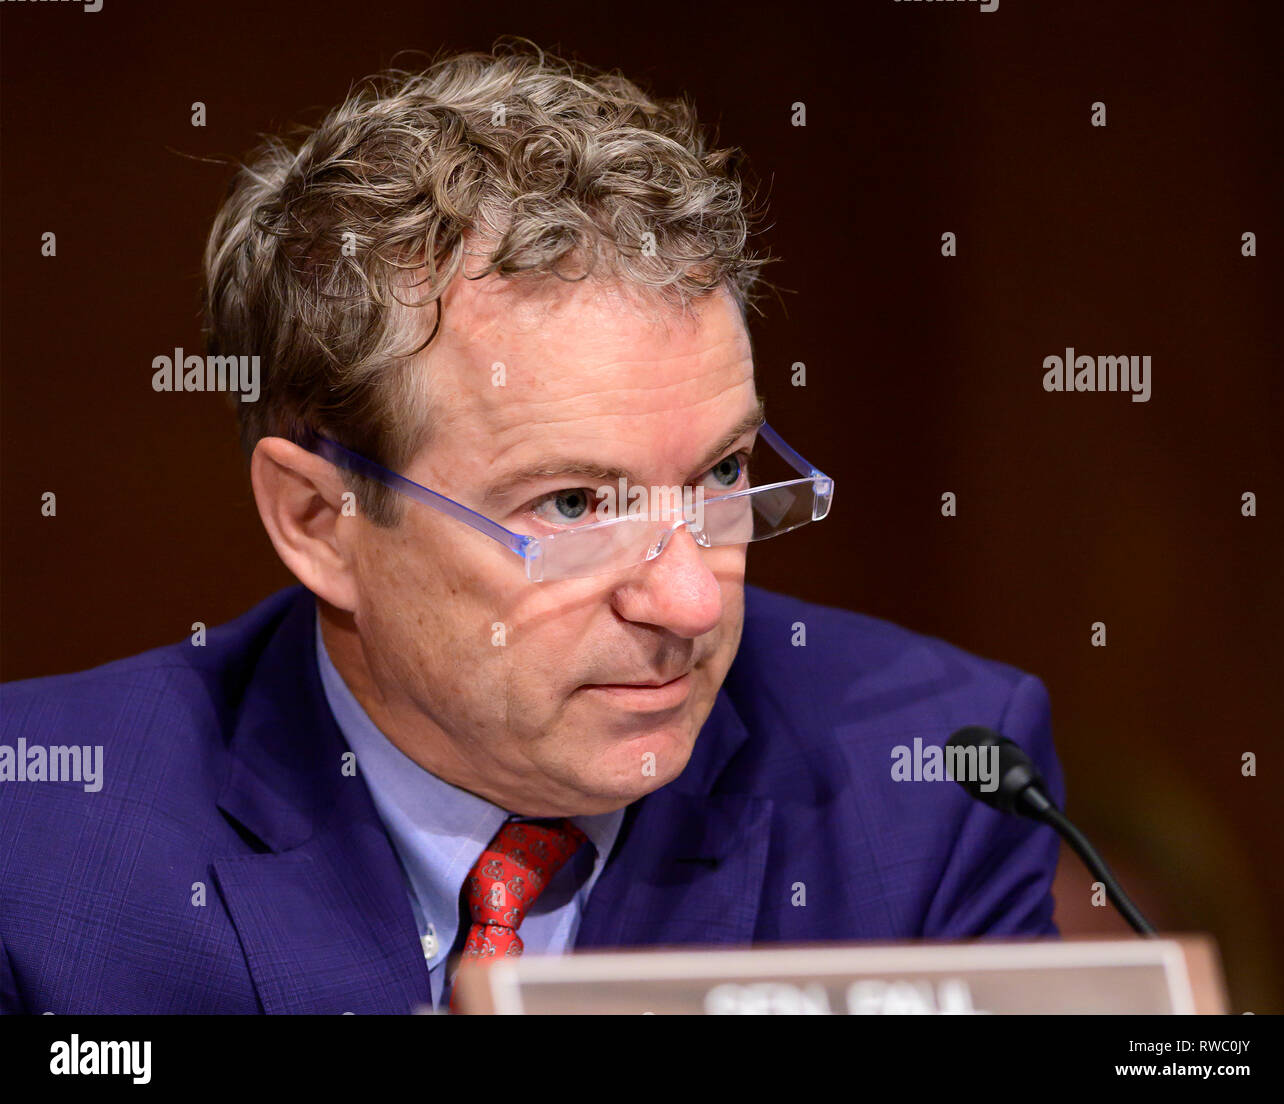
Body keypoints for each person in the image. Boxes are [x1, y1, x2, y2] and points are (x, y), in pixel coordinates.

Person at [0, 40, 1062, 1014]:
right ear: (321, 520)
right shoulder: (43, 852)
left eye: (721, 474)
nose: (690, 600)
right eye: (571, 505)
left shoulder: (925, 784)